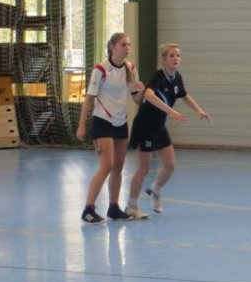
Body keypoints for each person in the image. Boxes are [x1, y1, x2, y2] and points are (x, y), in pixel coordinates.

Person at [125, 43, 211, 219]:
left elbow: (184, 95)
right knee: (143, 168)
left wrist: (198, 110)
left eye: (178, 55)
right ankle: (131, 206)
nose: (176, 58)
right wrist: (172, 112)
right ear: (164, 60)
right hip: (145, 126)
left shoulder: (177, 77)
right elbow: (148, 95)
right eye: (171, 55)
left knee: (170, 165)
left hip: (159, 126)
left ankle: (155, 191)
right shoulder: (158, 77)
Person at [75, 32, 146, 223]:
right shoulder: (101, 69)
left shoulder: (131, 68)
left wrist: (141, 91)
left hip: (121, 121)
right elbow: (89, 98)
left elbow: (136, 98)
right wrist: (81, 125)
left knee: (118, 167)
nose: (127, 48)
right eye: (123, 44)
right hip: (102, 121)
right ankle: (88, 209)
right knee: (106, 166)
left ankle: (113, 208)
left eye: (129, 44)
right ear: (113, 46)